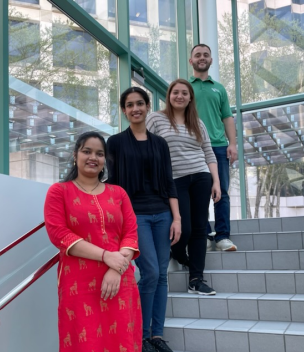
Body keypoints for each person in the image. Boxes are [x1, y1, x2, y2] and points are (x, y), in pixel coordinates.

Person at [44, 132, 142, 352]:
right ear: (75, 155)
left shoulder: (118, 193)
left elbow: (131, 233)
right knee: (85, 340)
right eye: (87, 151)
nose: (93, 157)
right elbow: (59, 234)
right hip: (78, 282)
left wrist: (116, 268)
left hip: (120, 279)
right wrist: (107, 256)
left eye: (99, 153)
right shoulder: (59, 192)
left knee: (123, 340)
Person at [106, 87, 181, 352]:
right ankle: (141, 334)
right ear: (124, 110)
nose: (135, 108)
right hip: (134, 215)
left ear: (148, 106)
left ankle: (156, 337)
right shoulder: (114, 143)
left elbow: (169, 182)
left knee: (161, 275)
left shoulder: (160, 143)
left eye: (140, 103)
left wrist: (177, 218)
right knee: (150, 272)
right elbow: (111, 184)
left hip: (162, 214)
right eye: (129, 105)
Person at [147, 78, 221, 296]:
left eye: (184, 93)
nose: (179, 96)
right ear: (169, 96)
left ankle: (196, 279)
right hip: (173, 180)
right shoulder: (156, 119)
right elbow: (145, 145)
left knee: (200, 229)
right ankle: (178, 252)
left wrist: (216, 181)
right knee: (184, 228)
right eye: (175, 92)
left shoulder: (198, 123)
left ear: (190, 98)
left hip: (201, 177)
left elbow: (208, 152)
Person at [189, 44, 239, 252]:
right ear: (191, 60)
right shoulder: (185, 87)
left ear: (211, 60)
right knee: (194, 193)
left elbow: (227, 117)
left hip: (218, 146)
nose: (202, 58)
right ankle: (203, 231)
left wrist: (233, 144)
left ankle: (222, 236)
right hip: (191, 147)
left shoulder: (219, 88)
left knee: (222, 193)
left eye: (206, 55)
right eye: (198, 55)